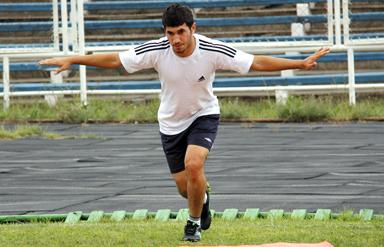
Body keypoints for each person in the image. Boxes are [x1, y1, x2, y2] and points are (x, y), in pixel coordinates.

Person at [39, 3, 330, 242]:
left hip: (204, 115)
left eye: (181, 32)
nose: (176, 39)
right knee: (185, 187)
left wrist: (299, 64)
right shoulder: (156, 49)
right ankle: (201, 199)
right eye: (170, 33)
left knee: (195, 165)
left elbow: (256, 62)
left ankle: (192, 224)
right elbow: (115, 59)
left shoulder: (214, 50)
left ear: (193, 29)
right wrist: (74, 59)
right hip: (170, 124)